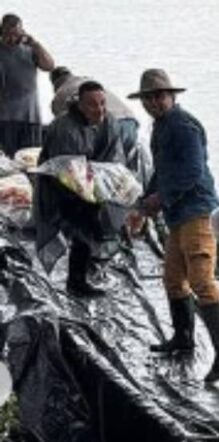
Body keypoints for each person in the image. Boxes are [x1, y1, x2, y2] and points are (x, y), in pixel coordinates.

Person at [129, 68, 219, 384]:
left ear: (171, 96)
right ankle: (183, 338)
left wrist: (159, 200)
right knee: (173, 278)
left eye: (159, 96)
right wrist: (144, 200)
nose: (153, 102)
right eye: (148, 98)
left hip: (197, 211)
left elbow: (191, 172)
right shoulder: (159, 128)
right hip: (176, 213)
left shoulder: (185, 127)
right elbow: (162, 171)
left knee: (202, 280)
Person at [34, 80, 125, 296]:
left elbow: (114, 156)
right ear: (80, 105)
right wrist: (89, 190)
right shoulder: (64, 129)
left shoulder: (108, 121)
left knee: (101, 223)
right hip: (62, 187)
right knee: (81, 229)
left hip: (92, 182)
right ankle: (76, 283)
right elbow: (65, 171)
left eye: (103, 103)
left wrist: (108, 182)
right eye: (92, 104)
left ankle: (85, 267)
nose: (99, 109)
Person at [49, 66, 149, 185]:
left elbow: (64, 125)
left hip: (112, 122)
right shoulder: (86, 80)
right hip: (130, 120)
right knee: (122, 170)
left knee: (108, 170)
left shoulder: (61, 94)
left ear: (55, 83)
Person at [0, 14, 54, 157]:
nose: (11, 39)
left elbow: (49, 66)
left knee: (31, 157)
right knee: (8, 159)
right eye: (7, 35)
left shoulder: (30, 50)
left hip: (30, 116)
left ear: (22, 32)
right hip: (5, 118)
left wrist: (35, 44)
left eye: (15, 35)